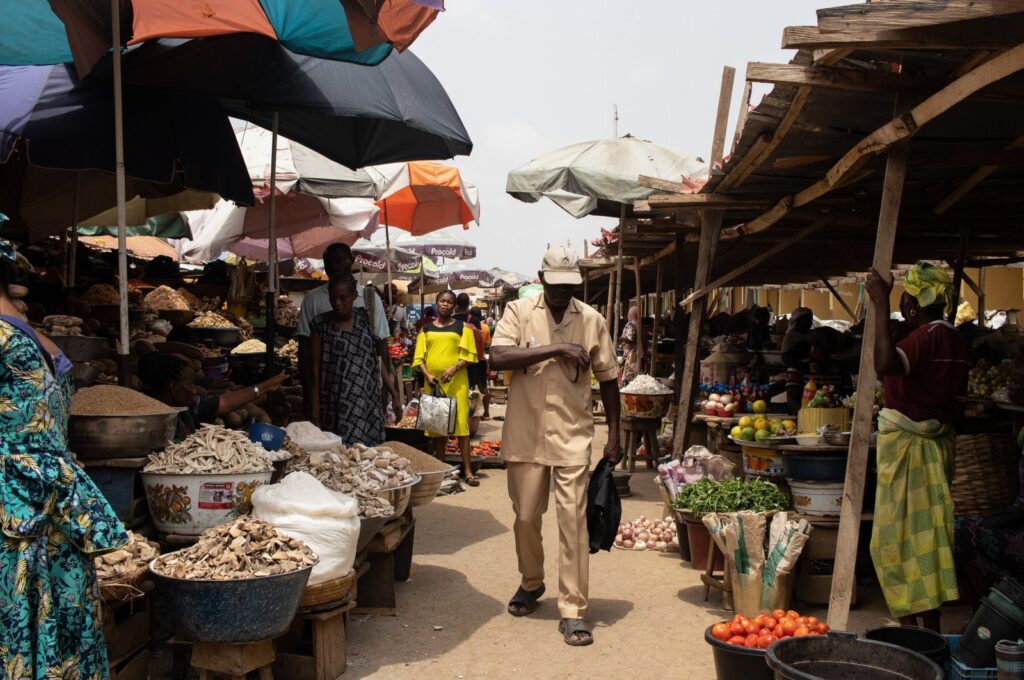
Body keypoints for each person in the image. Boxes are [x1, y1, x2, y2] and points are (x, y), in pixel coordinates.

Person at [0, 240, 130, 678]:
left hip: (15, 511)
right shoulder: (36, 336)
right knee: (56, 625)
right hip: (51, 503)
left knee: (20, 625)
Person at [490, 245, 621, 647]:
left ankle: (573, 609)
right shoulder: (519, 312)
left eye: (570, 286)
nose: (563, 292)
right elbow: (497, 357)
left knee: (573, 524)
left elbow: (610, 379)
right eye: (556, 284)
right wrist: (557, 348)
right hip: (525, 434)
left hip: (572, 435)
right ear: (541, 278)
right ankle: (532, 581)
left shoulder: (592, 320)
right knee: (526, 517)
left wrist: (615, 433)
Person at [864, 261, 970, 631]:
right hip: (933, 447)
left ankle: (915, 633)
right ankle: (927, 629)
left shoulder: (927, 338)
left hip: (912, 449)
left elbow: (884, 363)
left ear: (911, 303)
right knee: (928, 540)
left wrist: (880, 302)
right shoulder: (955, 340)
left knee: (897, 541)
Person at [297, 243, 392, 420]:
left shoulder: (369, 299)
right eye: (329, 262)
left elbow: (381, 348)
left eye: (340, 261)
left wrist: (385, 394)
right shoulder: (312, 300)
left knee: (364, 448)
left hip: (366, 394)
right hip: (328, 394)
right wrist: (309, 394)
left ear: (351, 261)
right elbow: (304, 349)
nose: (334, 266)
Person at [310, 276, 400, 446]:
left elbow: (376, 359)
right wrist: (315, 412)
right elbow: (315, 371)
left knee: (369, 456)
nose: (337, 302)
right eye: (333, 297)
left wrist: (394, 394)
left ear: (353, 296)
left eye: (342, 297)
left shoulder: (364, 318)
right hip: (338, 405)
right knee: (344, 458)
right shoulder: (320, 325)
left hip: (368, 403)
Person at [138, 352, 287, 441]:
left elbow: (223, 402)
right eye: (190, 385)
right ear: (173, 387)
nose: (195, 390)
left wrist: (265, 386)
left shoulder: (190, 407)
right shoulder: (146, 418)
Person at [413, 290, 480, 485]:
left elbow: (470, 356)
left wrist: (453, 369)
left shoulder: (463, 328)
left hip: (457, 382)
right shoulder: (425, 329)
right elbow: (419, 358)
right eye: (442, 301)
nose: (445, 304)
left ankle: (467, 471)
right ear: (436, 303)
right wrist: (427, 375)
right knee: (438, 427)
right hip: (433, 382)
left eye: (449, 302)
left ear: (454, 306)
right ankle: (441, 468)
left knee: (462, 427)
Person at [618, 305, 642, 385]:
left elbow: (631, 338)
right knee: (635, 372)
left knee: (629, 374)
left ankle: (627, 389)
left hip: (631, 353)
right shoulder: (639, 324)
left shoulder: (631, 325)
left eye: (629, 313)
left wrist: (622, 339)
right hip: (636, 352)